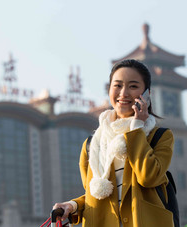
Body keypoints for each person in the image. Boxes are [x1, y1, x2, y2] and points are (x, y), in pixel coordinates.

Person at [53, 59, 175, 227]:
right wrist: (73, 205)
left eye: (133, 86)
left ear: (147, 94)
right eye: (117, 86)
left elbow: (148, 177)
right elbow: (96, 195)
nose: (123, 93)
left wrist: (136, 128)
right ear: (109, 89)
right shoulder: (91, 145)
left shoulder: (160, 137)